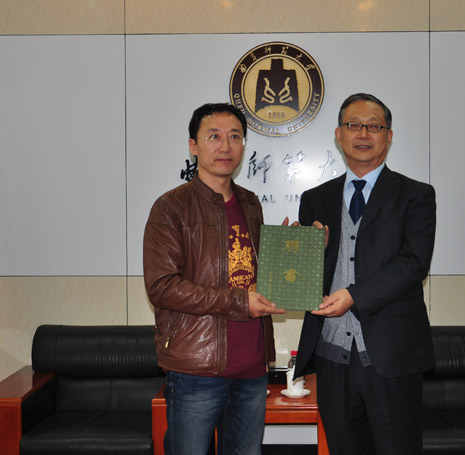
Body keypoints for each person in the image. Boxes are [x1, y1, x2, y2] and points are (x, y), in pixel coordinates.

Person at [294, 93, 437, 455]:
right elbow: (310, 276)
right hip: (331, 355)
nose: (363, 133)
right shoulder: (315, 198)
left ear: (389, 136)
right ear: (338, 134)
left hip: (392, 354)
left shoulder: (416, 195)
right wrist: (300, 252)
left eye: (374, 126)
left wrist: (354, 296)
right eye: (353, 125)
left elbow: (414, 263)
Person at [143, 103, 286, 455]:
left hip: (252, 367)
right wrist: (239, 302)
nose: (225, 146)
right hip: (197, 368)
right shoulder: (171, 208)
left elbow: (253, 273)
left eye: (235, 137)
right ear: (193, 145)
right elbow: (162, 287)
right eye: (214, 137)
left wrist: (295, 250)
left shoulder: (250, 203)